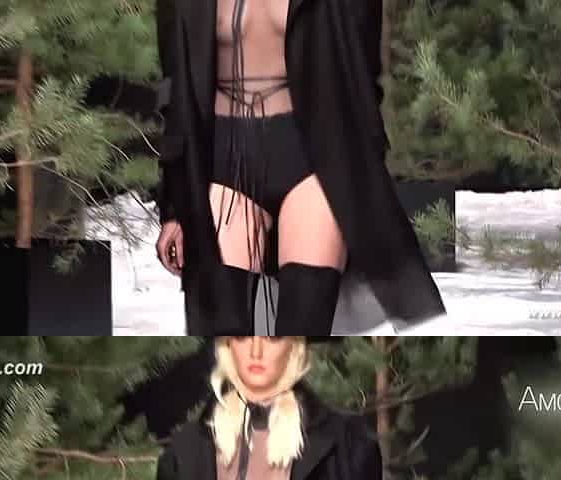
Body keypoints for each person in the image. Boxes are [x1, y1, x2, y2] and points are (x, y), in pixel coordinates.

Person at [155, 0, 446, 336]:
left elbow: (363, 80)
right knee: (223, 329)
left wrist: (361, 178)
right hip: (223, 162)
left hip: (312, 159)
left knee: (305, 322)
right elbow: (175, 93)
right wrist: (174, 207)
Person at [156, 336, 382, 480]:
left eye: (272, 337)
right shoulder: (184, 451)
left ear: (294, 345)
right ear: (227, 344)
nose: (256, 351)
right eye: (242, 336)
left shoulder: (350, 445)